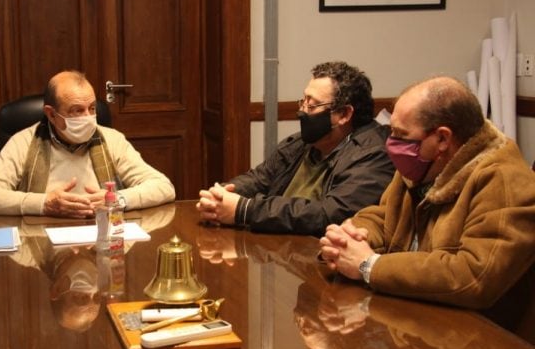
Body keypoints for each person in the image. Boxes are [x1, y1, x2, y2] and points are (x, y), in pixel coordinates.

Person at [319, 76, 535, 309]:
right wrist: (347, 239)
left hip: (476, 336)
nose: (391, 143)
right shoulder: (422, 164)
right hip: (411, 319)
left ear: (442, 138)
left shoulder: (504, 180)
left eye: (400, 134)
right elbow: (384, 217)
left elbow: (474, 276)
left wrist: (368, 266)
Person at [197, 61, 394, 235]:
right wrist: (221, 196)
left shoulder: (374, 154)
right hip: (278, 249)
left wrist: (245, 210)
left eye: (312, 105)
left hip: (315, 261)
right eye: (303, 101)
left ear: (343, 114)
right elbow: (260, 178)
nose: (302, 111)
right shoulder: (301, 143)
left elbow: (329, 214)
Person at [0, 70, 175, 217]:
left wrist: (117, 199)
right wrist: (44, 203)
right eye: (77, 110)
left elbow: (163, 187)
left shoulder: (111, 139)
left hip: (101, 242)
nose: (88, 118)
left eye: (92, 108)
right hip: (42, 241)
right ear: (51, 114)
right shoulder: (23, 142)